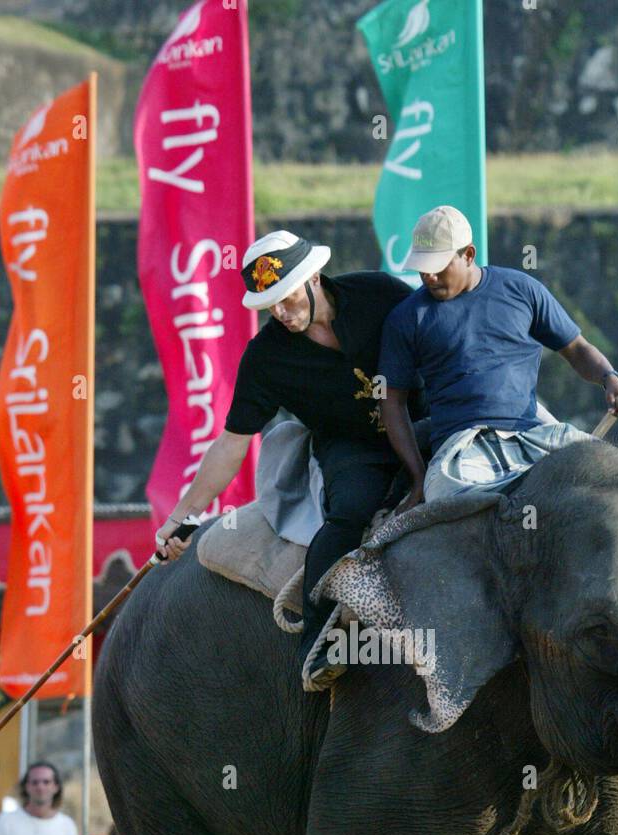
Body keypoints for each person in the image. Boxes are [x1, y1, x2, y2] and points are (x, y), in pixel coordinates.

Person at [155, 230, 429, 689]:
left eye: (286, 298)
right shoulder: (266, 359)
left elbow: (441, 337)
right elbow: (232, 442)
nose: (281, 312)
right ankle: (317, 643)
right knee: (347, 514)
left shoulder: (380, 294)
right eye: (270, 305)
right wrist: (184, 515)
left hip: (425, 423)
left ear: (314, 278)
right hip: (351, 447)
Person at [378, 204, 618, 502]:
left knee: (615, 476)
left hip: (534, 436)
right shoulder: (407, 318)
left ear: (469, 255)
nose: (428, 276)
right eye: (422, 266)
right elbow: (392, 403)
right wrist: (419, 477)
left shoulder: (522, 290)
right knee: (455, 501)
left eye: (438, 266)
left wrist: (610, 378)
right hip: (462, 451)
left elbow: (577, 349)